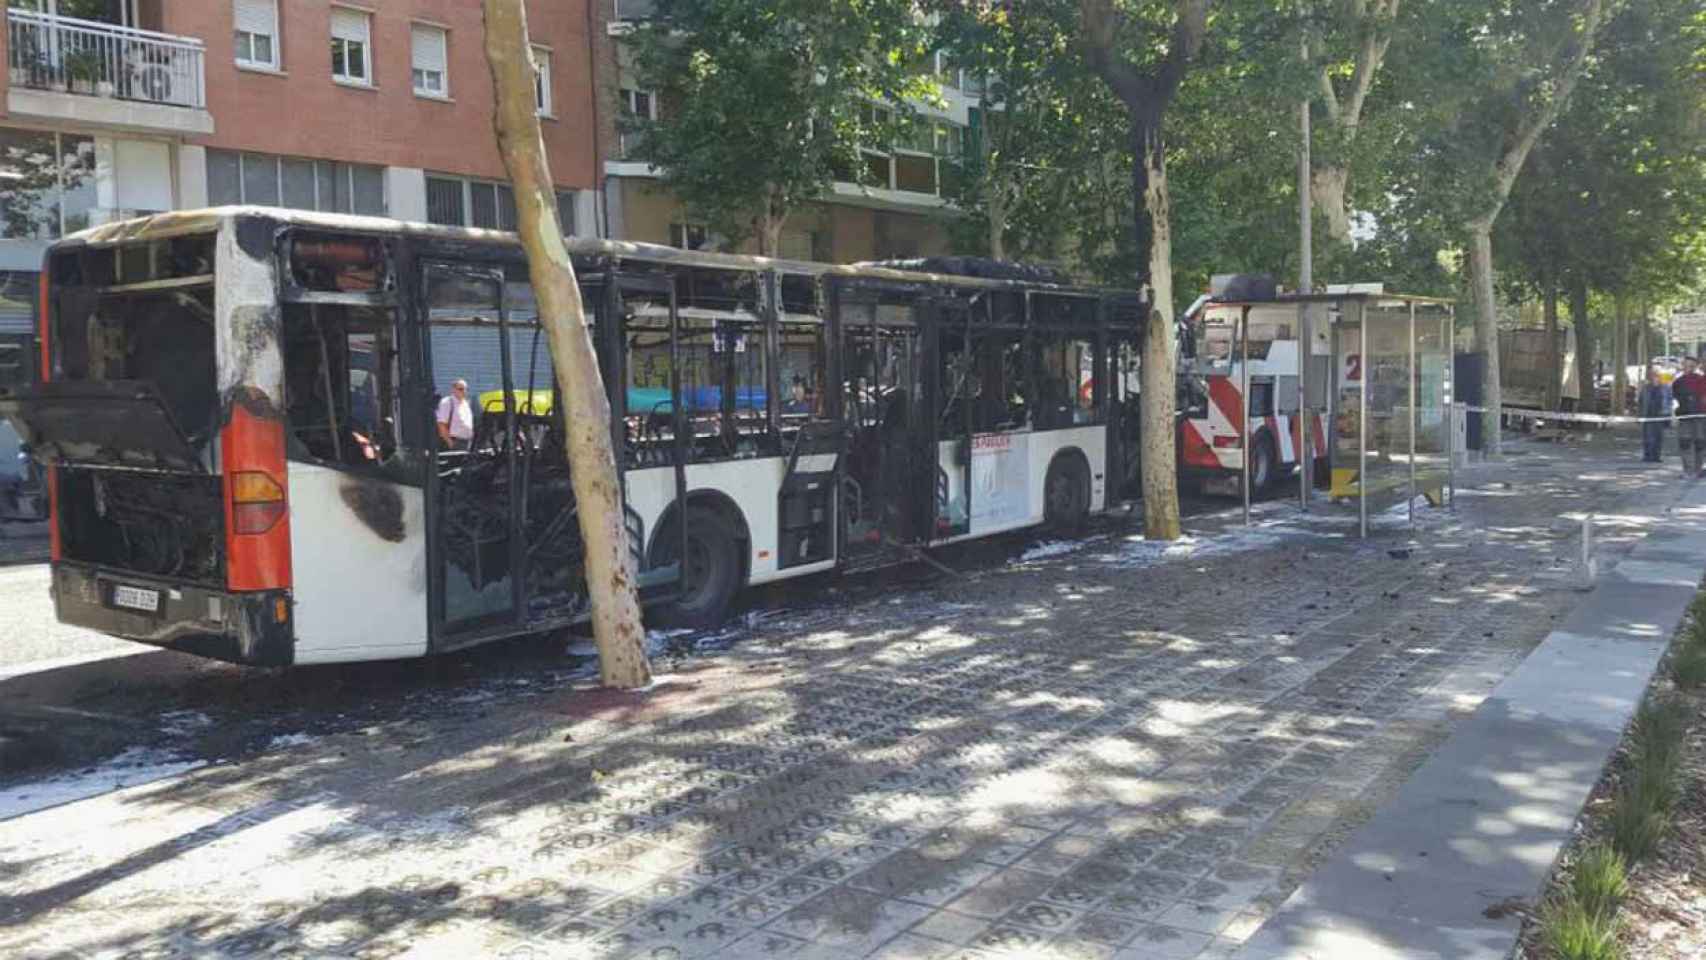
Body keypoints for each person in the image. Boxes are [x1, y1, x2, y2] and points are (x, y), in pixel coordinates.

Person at [1671, 358, 1706, 478]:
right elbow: (1674, 399)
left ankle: (1698, 469)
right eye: (1685, 365)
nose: (1688, 368)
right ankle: (1688, 470)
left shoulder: (1702, 380)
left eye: (1690, 366)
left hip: (1700, 417)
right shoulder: (1678, 382)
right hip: (1685, 417)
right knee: (1685, 443)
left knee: (1700, 443)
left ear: (1695, 366)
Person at [1638, 364, 1672, 463]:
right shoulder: (1645, 387)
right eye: (1652, 373)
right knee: (1647, 436)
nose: (1654, 375)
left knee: (1658, 436)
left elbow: (1669, 401)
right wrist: (1640, 414)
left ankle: (1656, 456)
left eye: (1656, 373)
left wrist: (1668, 414)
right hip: (1647, 414)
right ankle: (1647, 455)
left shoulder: (1665, 387)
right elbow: (1641, 401)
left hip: (1660, 415)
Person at [436, 379, 474, 451]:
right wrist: (450, 443)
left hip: (466, 442)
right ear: (453, 390)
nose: (464, 391)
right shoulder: (447, 402)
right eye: (461, 389)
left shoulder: (466, 404)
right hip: (453, 442)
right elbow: (441, 424)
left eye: (466, 389)